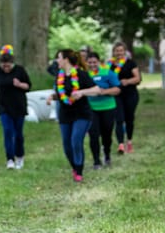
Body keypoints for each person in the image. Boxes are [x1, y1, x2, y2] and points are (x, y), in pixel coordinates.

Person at [46, 49, 102, 182]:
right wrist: (52, 97)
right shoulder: (59, 76)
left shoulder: (81, 74)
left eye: (59, 57)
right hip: (65, 114)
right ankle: (74, 166)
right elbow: (62, 95)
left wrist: (82, 92)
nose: (57, 60)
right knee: (67, 146)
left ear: (66, 59)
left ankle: (79, 170)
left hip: (81, 113)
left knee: (76, 140)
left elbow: (97, 90)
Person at [0, 44, 32, 170]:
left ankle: (20, 156)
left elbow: (28, 86)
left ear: (12, 63)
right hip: (4, 106)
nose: (6, 68)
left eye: (8, 66)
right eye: (4, 66)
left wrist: (19, 84)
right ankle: (10, 159)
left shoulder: (20, 70)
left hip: (18, 106)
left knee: (18, 134)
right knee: (8, 131)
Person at [86, 52, 121, 169]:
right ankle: (96, 161)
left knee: (107, 134)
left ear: (99, 62)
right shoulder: (84, 75)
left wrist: (103, 92)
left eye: (94, 62)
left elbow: (117, 89)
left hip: (108, 107)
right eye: (89, 62)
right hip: (91, 109)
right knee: (93, 134)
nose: (92, 65)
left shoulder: (108, 73)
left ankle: (107, 154)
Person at [108, 41, 141, 154]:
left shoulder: (130, 63)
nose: (119, 53)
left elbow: (137, 78)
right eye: (117, 51)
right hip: (117, 95)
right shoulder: (109, 65)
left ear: (125, 51)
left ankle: (129, 142)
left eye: (121, 51)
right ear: (113, 52)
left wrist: (127, 81)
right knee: (119, 119)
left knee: (129, 119)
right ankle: (121, 145)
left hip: (131, 95)